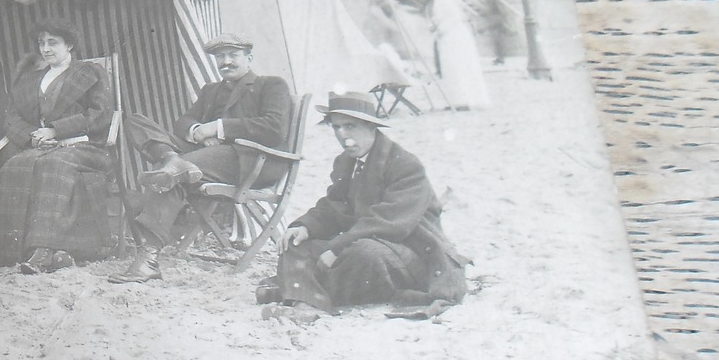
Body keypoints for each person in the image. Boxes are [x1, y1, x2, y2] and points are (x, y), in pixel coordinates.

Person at [259, 91, 470, 315]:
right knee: (293, 243)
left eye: (350, 126)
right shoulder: (345, 161)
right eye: (336, 127)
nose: (343, 135)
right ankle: (306, 304)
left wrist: (336, 248)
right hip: (365, 241)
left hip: (411, 252)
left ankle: (297, 292)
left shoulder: (405, 164)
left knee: (363, 253)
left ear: (371, 127)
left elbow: (390, 222)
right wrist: (305, 226)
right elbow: (334, 206)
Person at [113, 32, 294, 284]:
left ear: (249, 58)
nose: (226, 61)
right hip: (205, 158)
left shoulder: (271, 85)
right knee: (136, 121)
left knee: (175, 174)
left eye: (233, 55)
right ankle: (172, 160)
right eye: (220, 57)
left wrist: (218, 128)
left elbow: (274, 128)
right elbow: (182, 122)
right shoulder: (211, 90)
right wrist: (197, 131)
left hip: (251, 161)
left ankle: (149, 258)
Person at [0, 20, 115, 273]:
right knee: (17, 164)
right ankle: (7, 249)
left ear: (69, 45)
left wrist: (57, 129)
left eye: (53, 42)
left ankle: (42, 250)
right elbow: (12, 117)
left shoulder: (90, 73)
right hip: (40, 146)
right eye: (42, 43)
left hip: (85, 147)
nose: (46, 49)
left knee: (53, 164)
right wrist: (32, 136)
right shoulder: (30, 80)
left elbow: (101, 114)